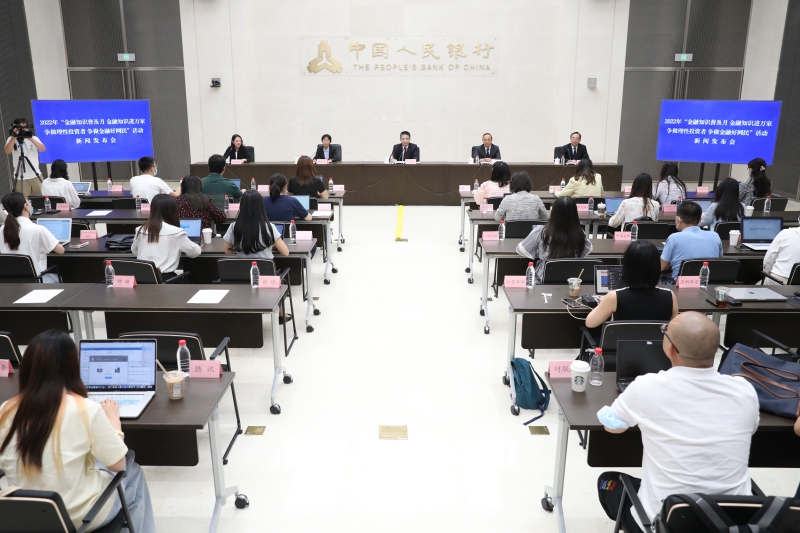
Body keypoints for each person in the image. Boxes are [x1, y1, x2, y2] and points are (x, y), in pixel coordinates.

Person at [596, 312, 759, 533]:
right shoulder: (744, 390)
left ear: (670, 349)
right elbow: (752, 427)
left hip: (664, 523)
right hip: (732, 522)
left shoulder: (646, 387)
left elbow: (613, 426)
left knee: (607, 482)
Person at [0, 330, 155, 532]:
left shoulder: (5, 409)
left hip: (20, 514)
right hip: (78, 516)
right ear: (73, 367)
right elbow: (118, 465)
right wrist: (114, 425)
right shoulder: (86, 408)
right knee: (131, 466)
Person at [586, 241, 677, 327]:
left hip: (621, 339)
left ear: (627, 267)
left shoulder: (614, 297)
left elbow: (590, 323)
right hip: (657, 339)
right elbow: (673, 328)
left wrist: (605, 302)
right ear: (656, 266)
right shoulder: (670, 295)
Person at [516, 196, 593, 283]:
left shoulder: (541, 231)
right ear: (575, 213)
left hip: (545, 279)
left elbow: (521, 249)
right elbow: (587, 250)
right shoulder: (579, 232)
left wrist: (539, 252)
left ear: (553, 212)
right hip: (572, 279)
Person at [131, 193, 201, 279]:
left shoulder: (140, 229)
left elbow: (134, 251)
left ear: (152, 209)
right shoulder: (177, 232)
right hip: (165, 280)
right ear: (172, 210)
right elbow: (195, 252)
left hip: (141, 278)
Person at [0, 192, 64, 282]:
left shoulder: (2, 229)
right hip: (36, 281)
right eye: (28, 202)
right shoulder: (38, 229)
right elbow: (61, 250)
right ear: (26, 206)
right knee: (59, 276)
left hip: (10, 282)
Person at [660, 201, 723, 280]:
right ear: (700, 220)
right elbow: (720, 261)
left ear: (678, 219)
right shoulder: (715, 236)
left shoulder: (673, 238)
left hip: (680, 284)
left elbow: (662, 267)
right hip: (709, 283)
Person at [224, 190, 289, 260]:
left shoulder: (233, 226)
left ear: (242, 205)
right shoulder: (269, 227)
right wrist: (271, 244)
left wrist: (240, 248)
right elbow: (285, 253)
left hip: (242, 267)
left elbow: (227, 251)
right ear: (261, 206)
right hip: (265, 267)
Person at [4, 118, 46, 198]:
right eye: (21, 127)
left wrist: (30, 138)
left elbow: (43, 149)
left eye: (25, 127)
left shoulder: (34, 138)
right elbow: (7, 151)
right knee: (23, 200)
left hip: (35, 174)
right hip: (21, 177)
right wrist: (14, 137)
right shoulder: (11, 139)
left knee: (41, 198)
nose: (23, 129)